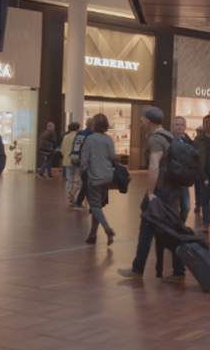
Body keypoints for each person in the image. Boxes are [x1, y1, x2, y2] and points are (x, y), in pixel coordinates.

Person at [118, 107, 186, 282]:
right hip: (173, 190)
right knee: (168, 229)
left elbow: (154, 166)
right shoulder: (170, 136)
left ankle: (139, 270)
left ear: (148, 121)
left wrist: (151, 192)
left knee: (148, 229)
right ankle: (177, 271)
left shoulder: (155, 139)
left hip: (160, 191)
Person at [79, 114, 116, 246]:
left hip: (94, 176)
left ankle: (107, 229)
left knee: (94, 206)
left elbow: (85, 159)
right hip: (107, 177)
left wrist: (81, 172)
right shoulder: (108, 139)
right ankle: (92, 234)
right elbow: (112, 156)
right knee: (98, 206)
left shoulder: (90, 139)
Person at [172, 117, 195, 223]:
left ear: (185, 127)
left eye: (181, 125)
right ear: (173, 126)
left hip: (184, 179)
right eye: (177, 124)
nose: (179, 127)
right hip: (172, 180)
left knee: (186, 207)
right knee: (173, 207)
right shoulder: (168, 140)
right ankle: (175, 229)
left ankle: (181, 225)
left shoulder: (189, 142)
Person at [71, 117, 95, 210]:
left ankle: (88, 203)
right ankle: (79, 202)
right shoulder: (91, 135)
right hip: (85, 161)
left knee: (86, 182)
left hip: (76, 159)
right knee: (86, 183)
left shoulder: (79, 133)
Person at [60, 122, 81, 204]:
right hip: (77, 161)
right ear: (77, 128)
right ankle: (74, 194)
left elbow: (63, 150)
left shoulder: (66, 137)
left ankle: (70, 194)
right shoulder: (79, 137)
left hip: (67, 160)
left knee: (70, 179)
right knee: (77, 179)